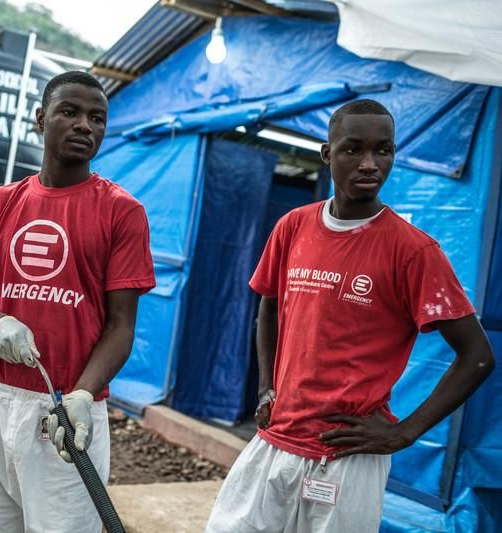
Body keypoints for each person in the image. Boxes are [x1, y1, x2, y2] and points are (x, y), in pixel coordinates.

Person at [205, 99, 495, 533]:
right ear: (328, 153)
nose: (370, 163)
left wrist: (403, 433)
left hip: (347, 457)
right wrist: (266, 389)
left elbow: (477, 356)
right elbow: (270, 304)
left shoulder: (413, 251)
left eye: (383, 150)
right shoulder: (293, 226)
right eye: (353, 149)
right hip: (275, 440)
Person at [0, 71, 155, 533]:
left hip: (65, 411)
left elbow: (121, 326)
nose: (84, 125)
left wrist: (83, 393)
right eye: (69, 112)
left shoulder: (122, 212)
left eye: (97, 118)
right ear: (40, 118)